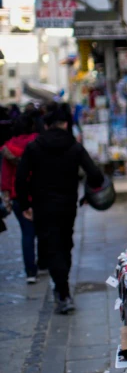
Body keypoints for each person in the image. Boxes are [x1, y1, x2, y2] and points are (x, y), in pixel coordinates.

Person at [15, 105, 104, 314]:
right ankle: (63, 290)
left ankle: (62, 292)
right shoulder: (74, 146)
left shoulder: (34, 147)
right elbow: (96, 175)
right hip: (67, 205)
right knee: (65, 245)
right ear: (65, 124)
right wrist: (88, 195)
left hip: (43, 205)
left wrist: (25, 205)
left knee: (52, 246)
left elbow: (20, 178)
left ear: (46, 125)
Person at [1, 112, 43, 283]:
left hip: (18, 195)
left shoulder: (8, 148)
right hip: (39, 193)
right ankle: (43, 263)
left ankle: (30, 272)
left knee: (27, 233)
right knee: (42, 230)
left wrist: (6, 196)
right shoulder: (39, 142)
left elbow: (5, 176)